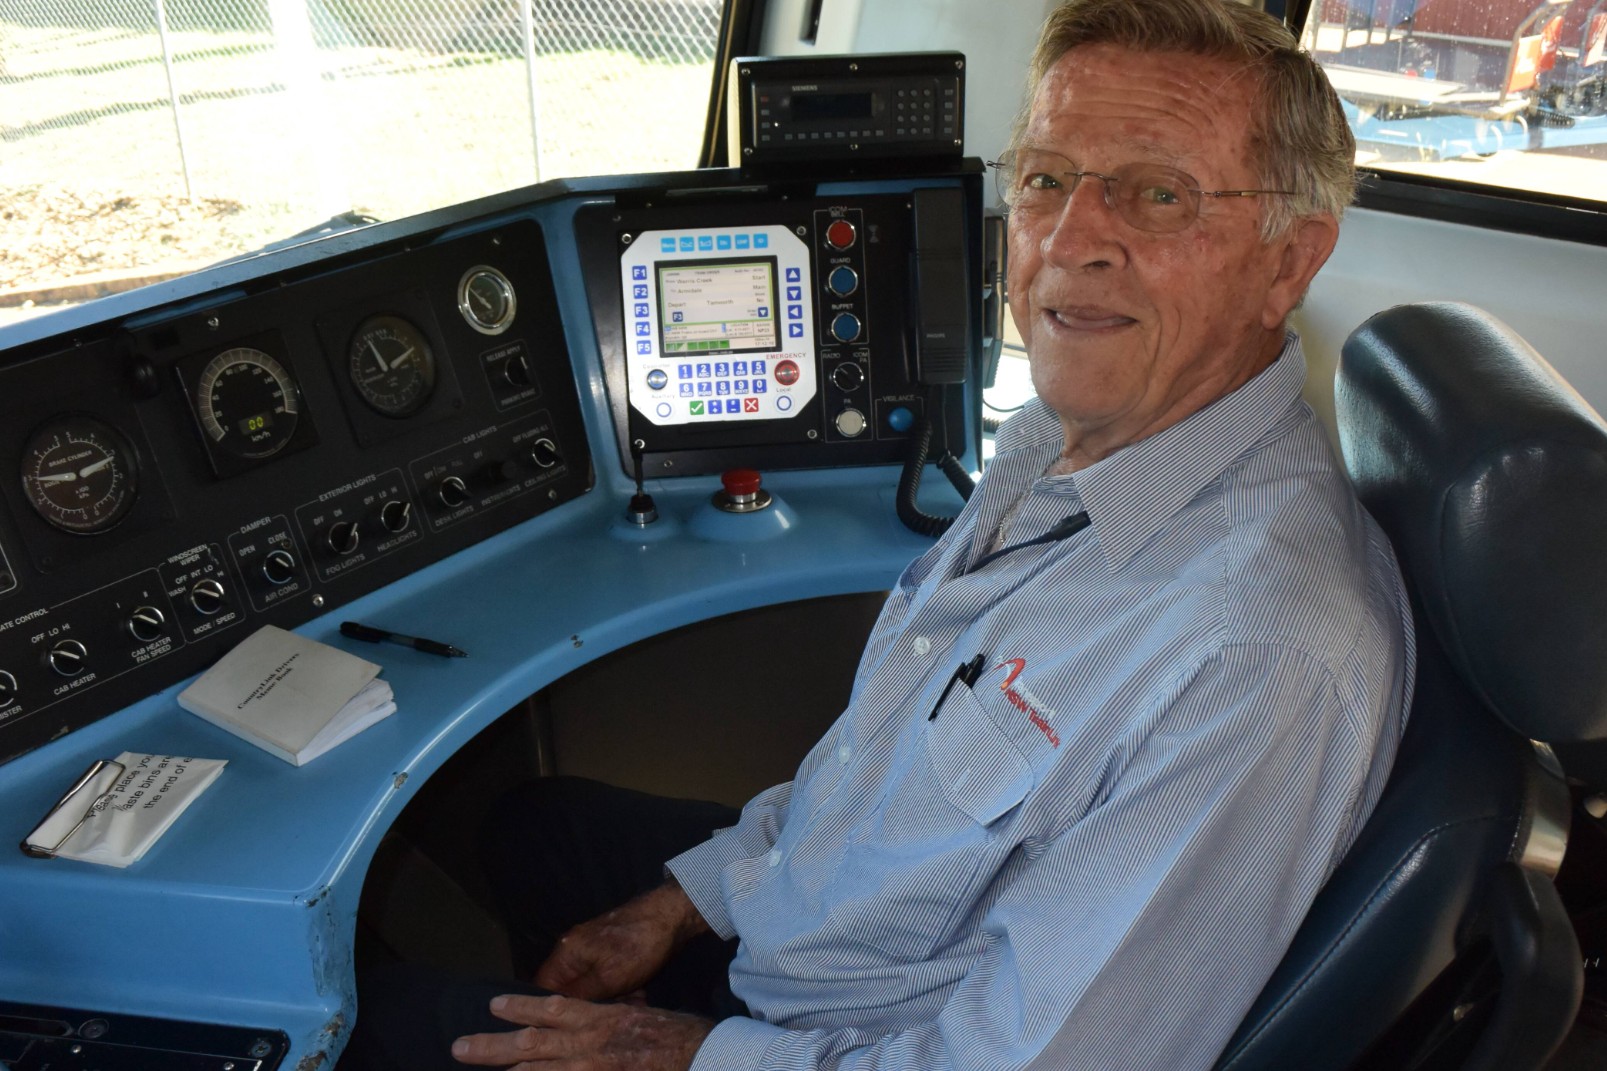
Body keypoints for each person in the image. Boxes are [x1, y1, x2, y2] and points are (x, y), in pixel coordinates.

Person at [347, 0, 1414, 1066]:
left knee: (382, 1027)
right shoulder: (1061, 442)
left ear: (1286, 262)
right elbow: (882, 771)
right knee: (532, 828)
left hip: (848, 1039)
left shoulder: (1256, 655)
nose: (1070, 241)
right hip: (822, 936)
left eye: (1156, 195)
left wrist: (670, 1050)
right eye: (1045, 178)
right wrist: (687, 902)